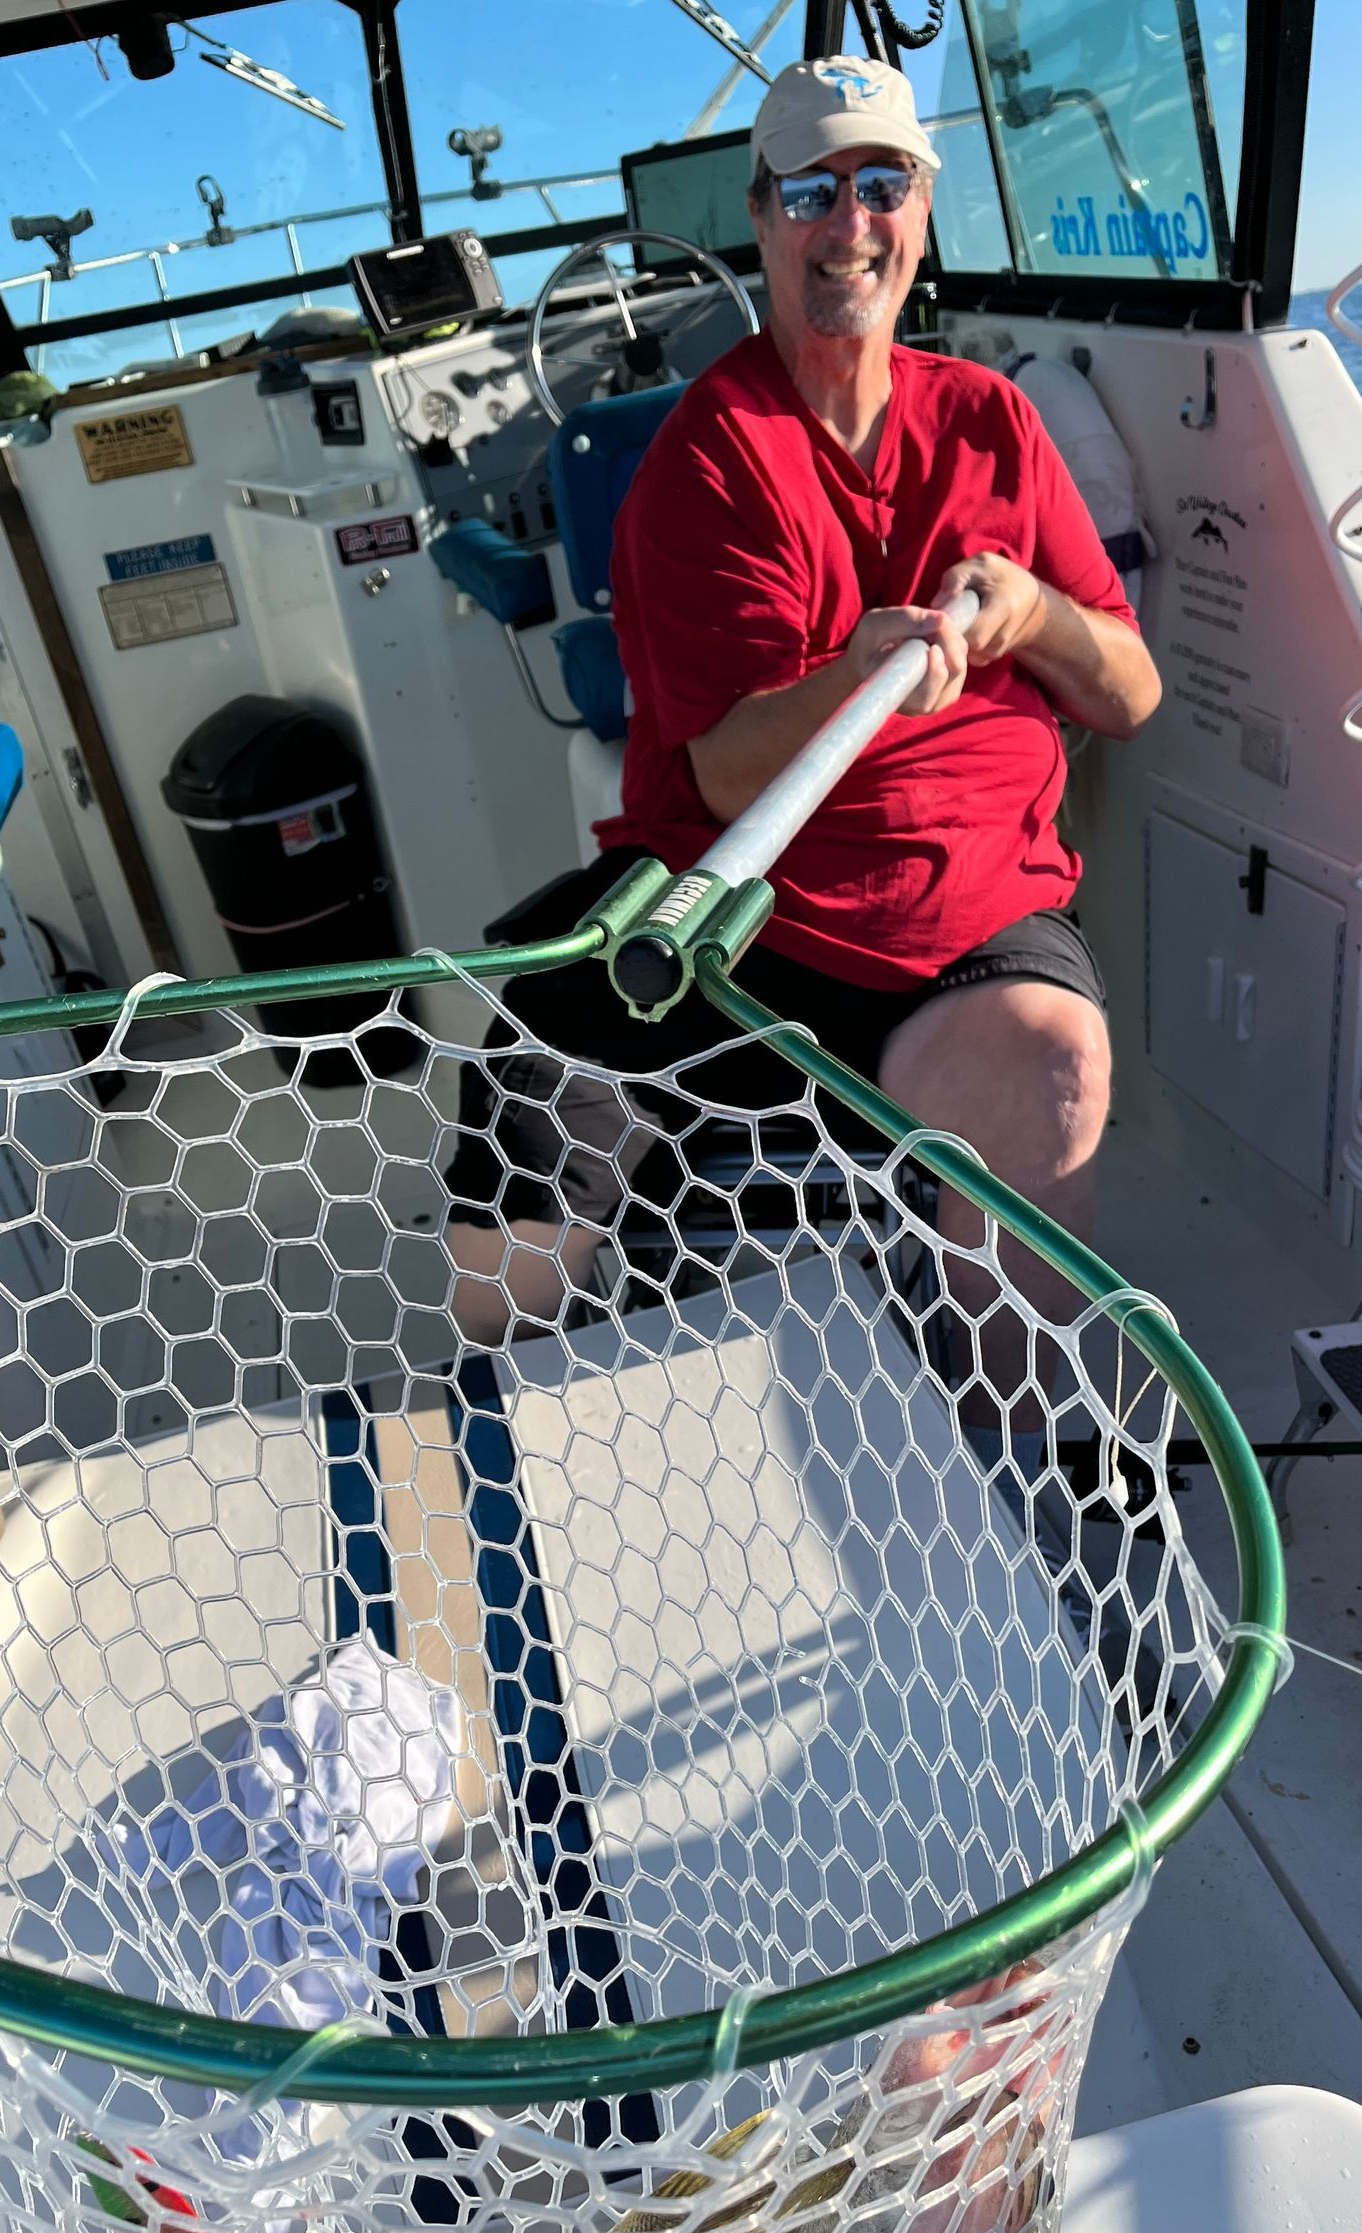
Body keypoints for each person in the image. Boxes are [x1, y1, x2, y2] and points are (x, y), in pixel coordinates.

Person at [443, 56, 1160, 1421]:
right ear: (764, 218)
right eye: (815, 191)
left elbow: (1127, 693)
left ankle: (1008, 1440)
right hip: (741, 919)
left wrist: (1035, 616)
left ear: (924, 207)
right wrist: (850, 673)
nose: (852, 224)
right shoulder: (707, 461)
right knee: (523, 1080)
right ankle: (498, 1424)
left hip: (969, 922)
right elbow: (718, 771)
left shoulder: (997, 420)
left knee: (1054, 1065)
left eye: (883, 184)